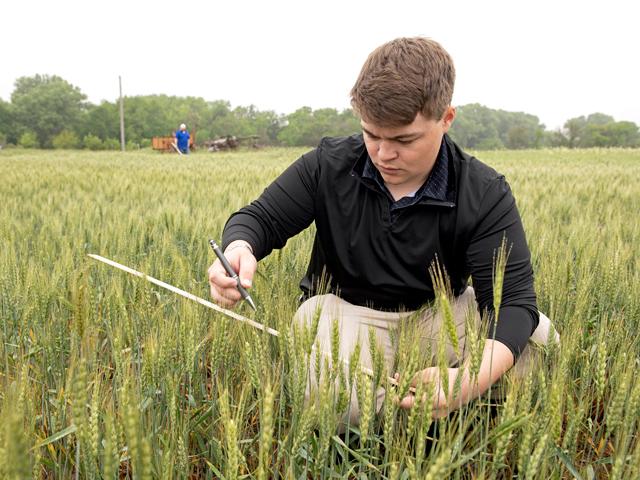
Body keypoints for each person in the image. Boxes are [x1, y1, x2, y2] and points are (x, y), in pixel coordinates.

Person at [208, 37, 558, 424]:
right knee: (337, 404)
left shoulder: (484, 191)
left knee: (538, 339)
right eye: (371, 134)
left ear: (446, 118)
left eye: (403, 139)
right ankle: (424, 411)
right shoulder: (328, 165)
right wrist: (239, 248)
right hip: (346, 317)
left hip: (437, 318)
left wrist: (471, 377)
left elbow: (513, 303)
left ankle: (428, 399)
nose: (383, 154)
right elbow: (260, 219)